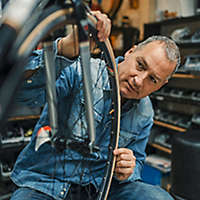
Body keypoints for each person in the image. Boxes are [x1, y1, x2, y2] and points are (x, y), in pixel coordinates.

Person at [10, 10, 180, 200]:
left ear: (161, 85)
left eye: (153, 79)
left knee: (158, 197)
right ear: (130, 52)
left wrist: (128, 169)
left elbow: (138, 161)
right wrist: (65, 49)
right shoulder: (81, 70)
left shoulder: (145, 111)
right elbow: (22, 94)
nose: (139, 81)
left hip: (102, 188)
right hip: (47, 184)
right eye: (140, 65)